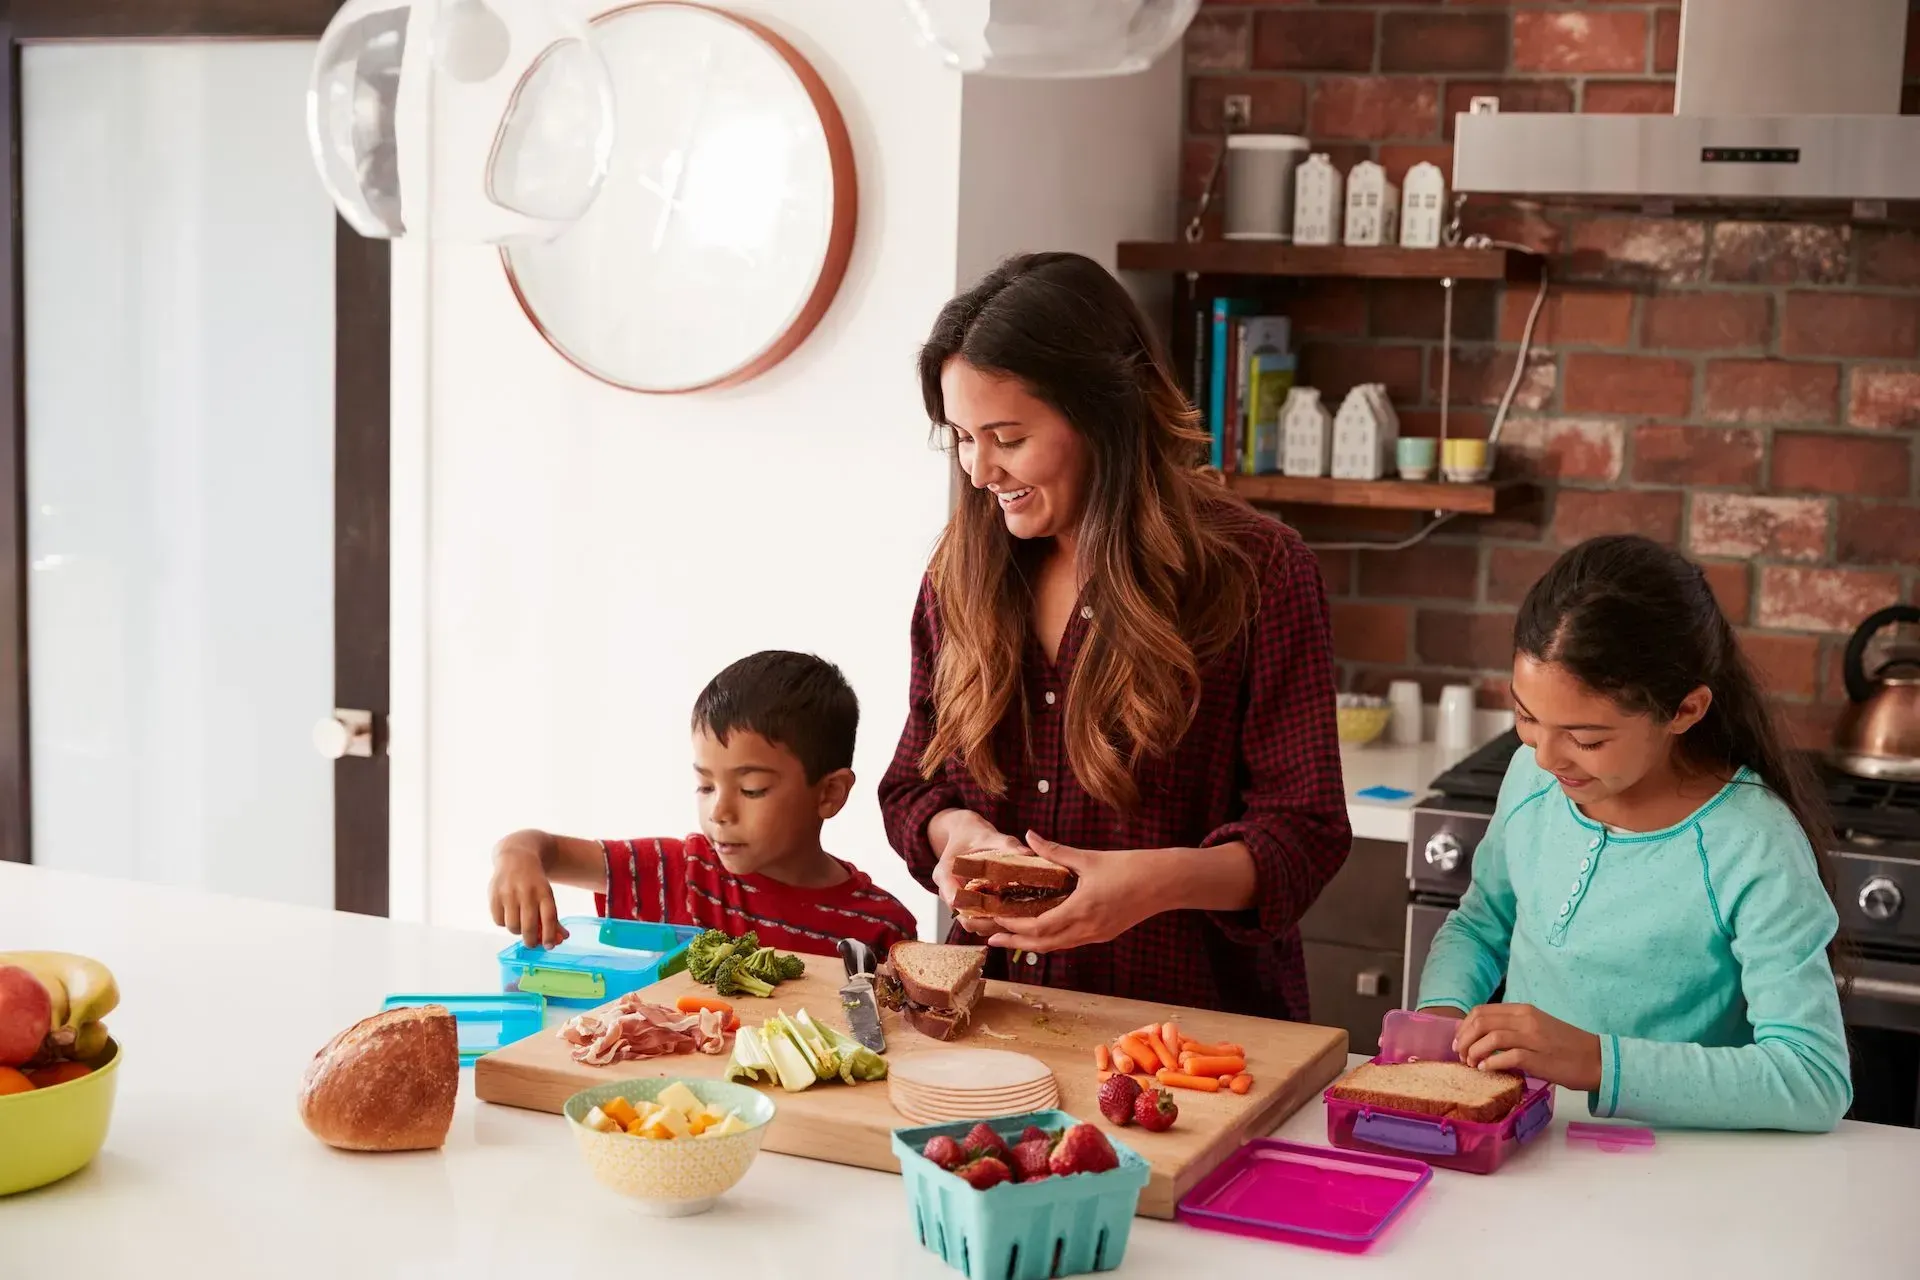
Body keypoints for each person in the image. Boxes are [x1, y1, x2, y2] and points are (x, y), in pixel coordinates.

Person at [878, 252, 1350, 1021]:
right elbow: (911, 786)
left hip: (1192, 1038)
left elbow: (1304, 835)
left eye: (1007, 436)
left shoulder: (1257, 571)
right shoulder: (958, 575)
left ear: (1104, 412)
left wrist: (1148, 886)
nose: (979, 469)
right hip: (991, 1020)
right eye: (961, 437)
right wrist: (957, 835)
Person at [1418, 535, 1851, 1131]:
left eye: (1587, 739)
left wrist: (1598, 1061)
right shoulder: (1532, 778)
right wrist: (1440, 1015)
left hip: (1673, 1177)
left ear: (1685, 711)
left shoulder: (1752, 844)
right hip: (1530, 1146)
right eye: (1525, 716)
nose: (1545, 756)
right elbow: (1482, 921)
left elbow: (1812, 1077)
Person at [488, 650, 919, 957]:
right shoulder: (682, 870)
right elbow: (546, 849)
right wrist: (516, 857)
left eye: (751, 790)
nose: (719, 812)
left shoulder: (881, 929)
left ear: (828, 794)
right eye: (706, 786)